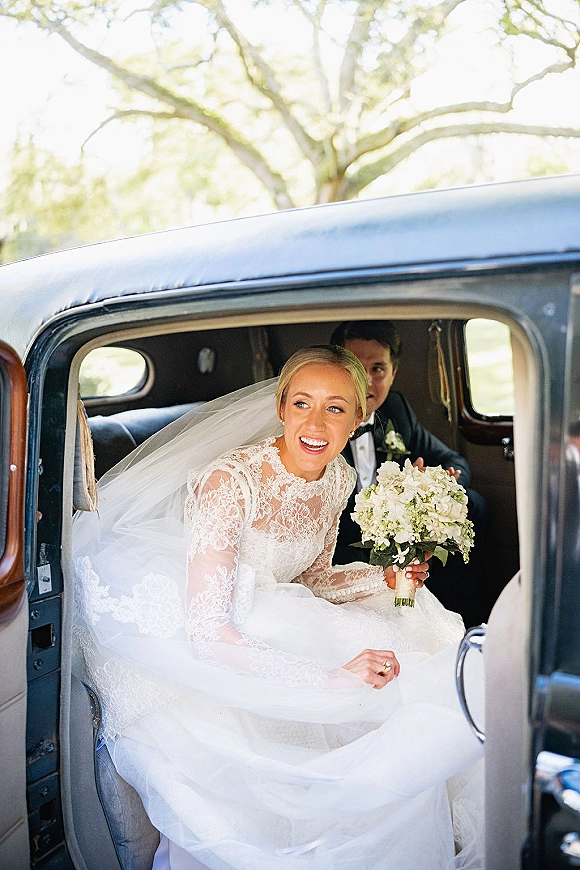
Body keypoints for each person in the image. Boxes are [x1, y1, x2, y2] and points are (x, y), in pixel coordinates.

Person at [72, 346, 484, 870]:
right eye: (302, 404)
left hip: (280, 608)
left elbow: (309, 581)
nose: (315, 423)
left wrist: (383, 577)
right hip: (218, 626)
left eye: (335, 408)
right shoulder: (229, 483)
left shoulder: (338, 479)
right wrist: (330, 679)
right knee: (355, 681)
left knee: (412, 622)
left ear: (360, 417)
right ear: (281, 408)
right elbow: (207, 632)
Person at [330, 320, 488, 628]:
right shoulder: (321, 427)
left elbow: (451, 458)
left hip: (397, 531)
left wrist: (436, 484)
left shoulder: (396, 409)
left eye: (378, 369)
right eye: (356, 368)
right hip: (344, 543)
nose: (367, 383)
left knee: (473, 506)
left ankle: (463, 618)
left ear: (393, 373)